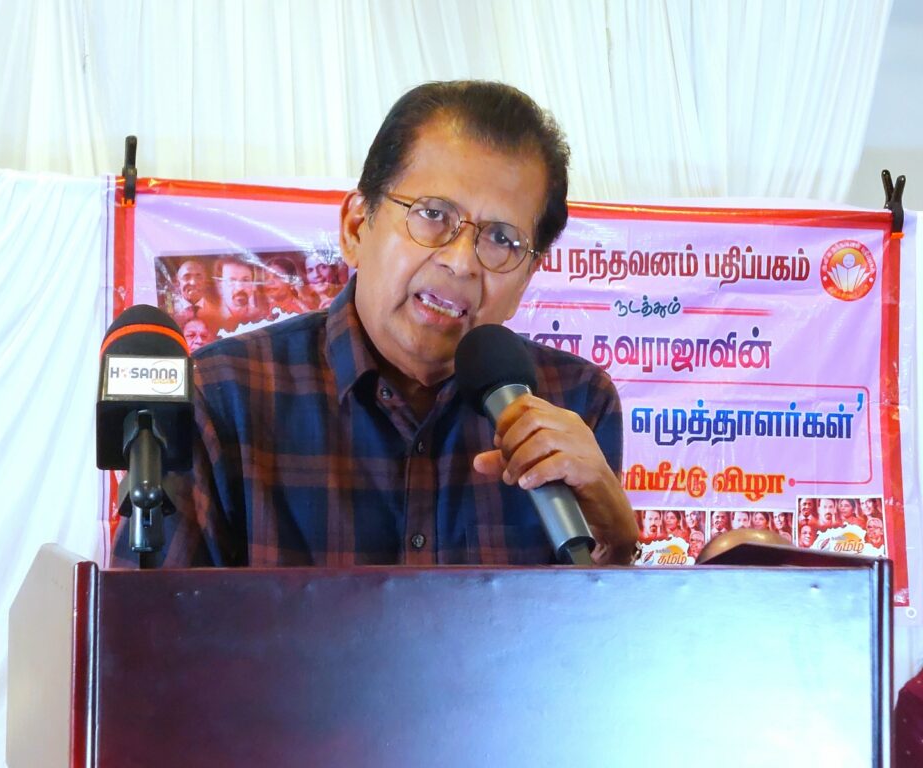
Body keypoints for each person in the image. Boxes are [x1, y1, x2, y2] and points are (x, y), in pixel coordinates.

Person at [112, 80, 637, 567]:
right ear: (357, 227)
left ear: (525, 279)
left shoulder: (575, 401)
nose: (461, 262)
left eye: (502, 239)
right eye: (433, 214)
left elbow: (599, 633)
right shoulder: (221, 399)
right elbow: (143, 628)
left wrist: (617, 545)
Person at [217, 256, 267, 330]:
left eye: (245, 280)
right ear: (220, 286)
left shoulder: (263, 317)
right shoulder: (211, 317)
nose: (239, 288)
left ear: (253, 285)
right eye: (231, 280)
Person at [170, 258, 220, 328]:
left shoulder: (219, 312)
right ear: (177, 283)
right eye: (186, 277)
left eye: (199, 277)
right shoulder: (169, 314)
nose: (193, 283)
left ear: (205, 282)